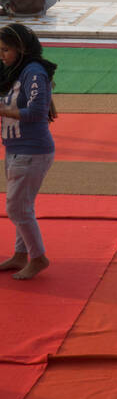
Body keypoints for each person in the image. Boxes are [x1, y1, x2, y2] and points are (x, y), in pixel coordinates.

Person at [0, 22, 57, 279]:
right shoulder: (14, 71)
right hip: (14, 149)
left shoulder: (33, 72)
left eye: (5, 50)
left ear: (21, 49)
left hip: (31, 151)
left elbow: (36, 112)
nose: (2, 55)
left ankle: (38, 257)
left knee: (16, 208)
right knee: (22, 205)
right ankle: (21, 255)